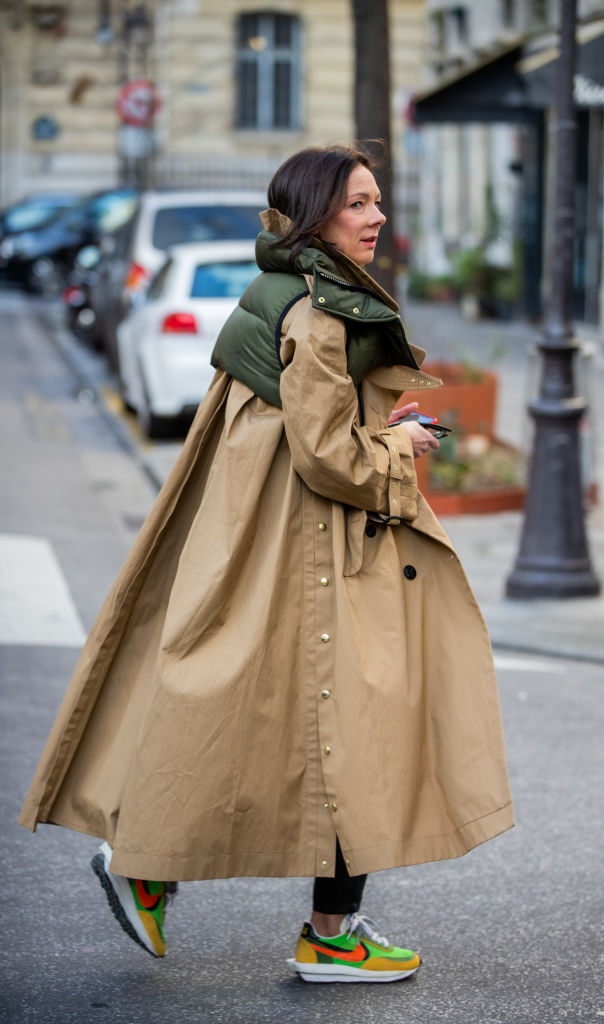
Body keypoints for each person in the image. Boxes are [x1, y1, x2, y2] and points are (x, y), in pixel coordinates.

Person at [19, 144, 513, 984]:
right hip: (319, 548)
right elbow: (328, 458)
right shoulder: (320, 312)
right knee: (360, 730)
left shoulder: (284, 292)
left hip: (282, 542)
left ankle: (185, 875)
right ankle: (314, 929)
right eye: (359, 203)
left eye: (377, 201)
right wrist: (399, 443)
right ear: (318, 213)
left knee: (292, 727)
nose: (377, 216)